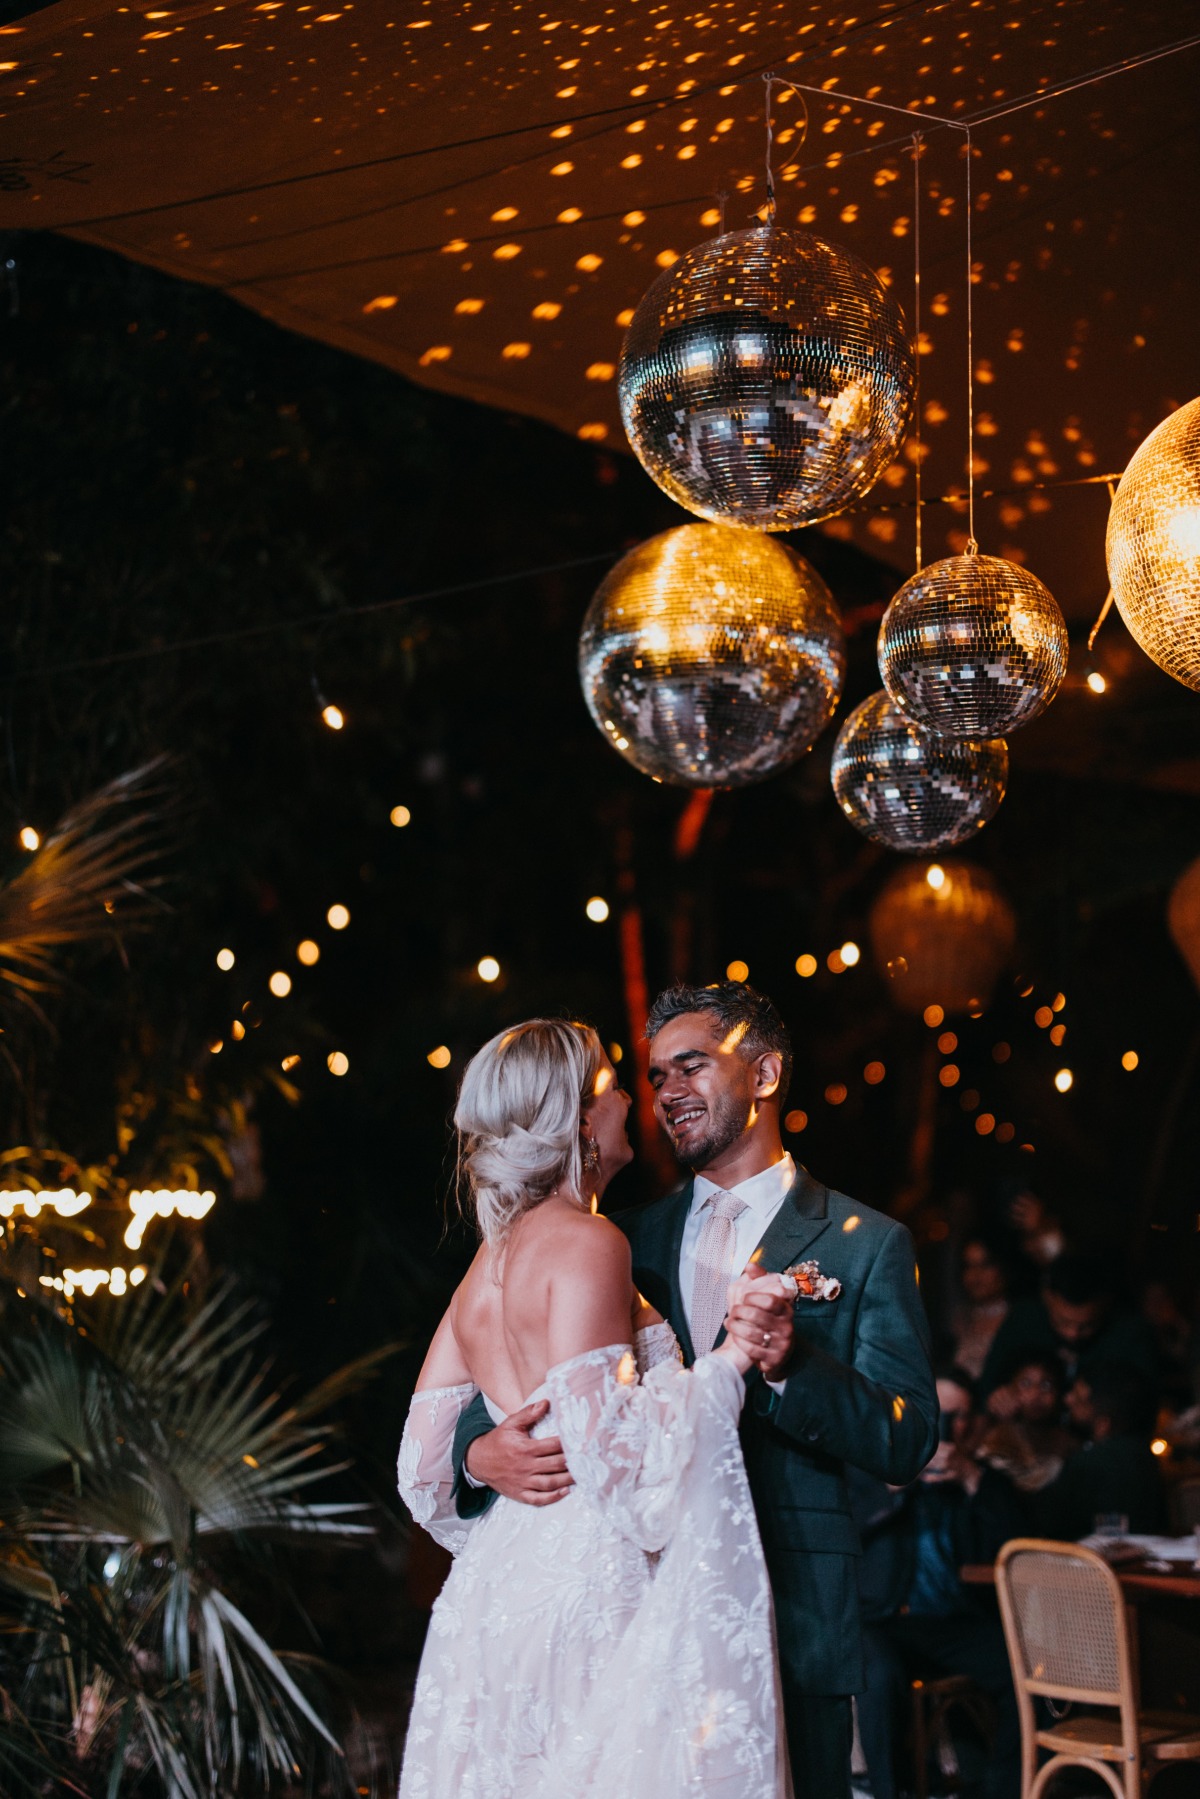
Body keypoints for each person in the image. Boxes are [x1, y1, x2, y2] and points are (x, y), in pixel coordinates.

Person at [455, 982, 939, 1799]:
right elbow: (507, 1386)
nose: (667, 1091)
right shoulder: (620, 1235)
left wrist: (792, 1367)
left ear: (765, 1072)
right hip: (635, 1615)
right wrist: (477, 1452)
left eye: (691, 1066)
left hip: (793, 1614)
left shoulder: (867, 1243)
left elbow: (907, 1436)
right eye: (653, 1075)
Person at [394, 1017, 792, 1798]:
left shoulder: (487, 1260)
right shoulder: (590, 1242)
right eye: (612, 1081)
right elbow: (620, 1468)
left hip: (494, 1591)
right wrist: (732, 1359)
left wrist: (485, 1475)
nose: (628, 1098)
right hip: (588, 1585)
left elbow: (419, 1470)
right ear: (579, 1117)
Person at [853, 1366, 1024, 1799]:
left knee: (1025, 1668)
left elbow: (1019, 1548)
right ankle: (886, 1791)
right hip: (884, 1617)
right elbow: (844, 1530)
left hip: (955, 1620)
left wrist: (971, 1478)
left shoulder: (986, 1479)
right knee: (878, 1673)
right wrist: (896, 1484)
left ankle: (1001, 1790)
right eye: (941, 1414)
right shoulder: (876, 1466)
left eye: (961, 1416)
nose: (951, 1426)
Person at [979, 1251, 1159, 1400]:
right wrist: (998, 1399)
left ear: (1105, 1304)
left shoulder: (1130, 1335)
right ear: (1047, 1298)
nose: (1072, 1334)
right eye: (1063, 1322)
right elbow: (989, 1383)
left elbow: (1141, 1406)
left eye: (1086, 1326)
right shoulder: (1025, 1318)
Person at [1035, 1363, 1169, 1540]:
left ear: (1104, 1421)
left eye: (1079, 1397)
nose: (1068, 1399)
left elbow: (1051, 1523)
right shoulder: (1144, 1455)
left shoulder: (1090, 1461)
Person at [977, 1353, 1075, 1494]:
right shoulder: (991, 1439)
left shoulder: (1068, 1445)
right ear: (1007, 1389)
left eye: (1046, 1385)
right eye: (1026, 1384)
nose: (1036, 1395)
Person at [950, 1233, 1012, 1381]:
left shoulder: (1018, 1317)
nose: (976, 1275)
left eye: (985, 1265)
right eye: (969, 1266)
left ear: (1002, 1267)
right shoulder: (960, 1317)